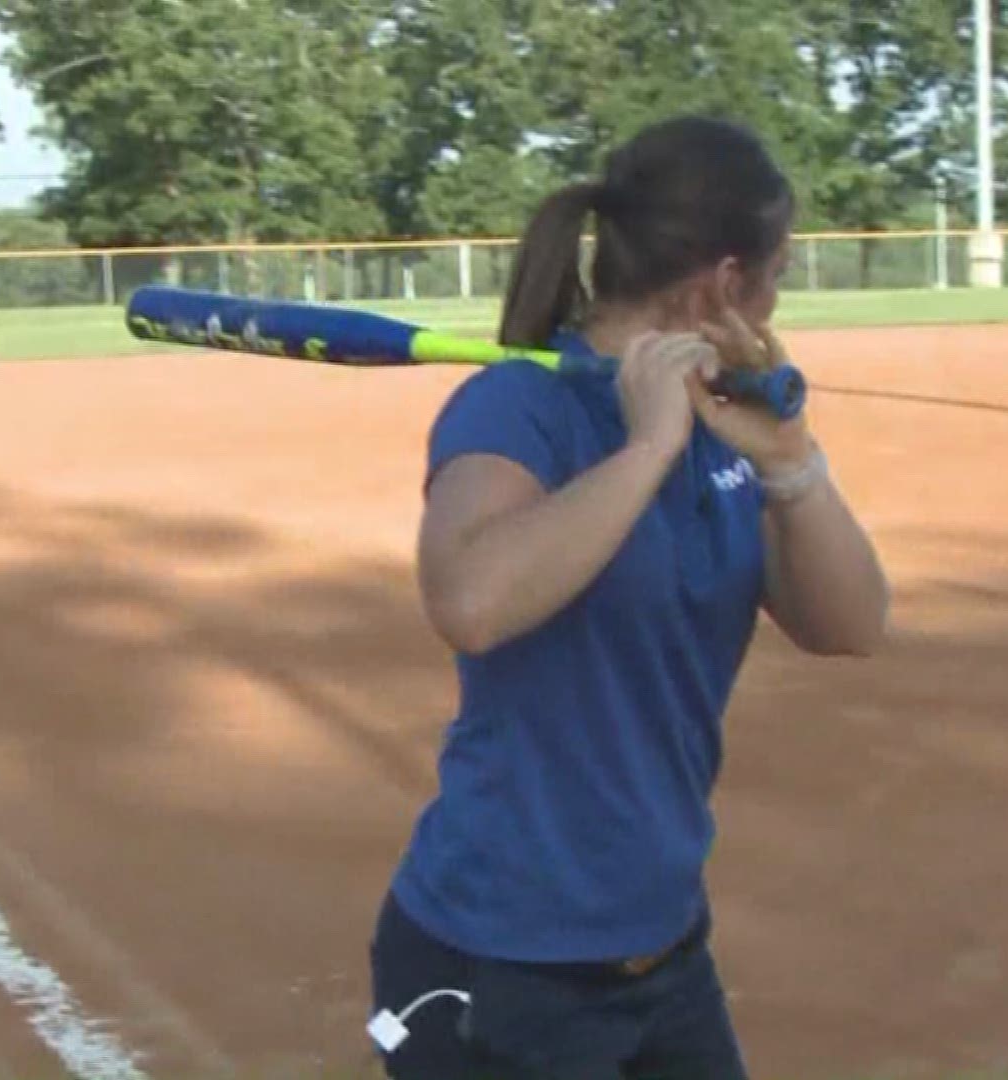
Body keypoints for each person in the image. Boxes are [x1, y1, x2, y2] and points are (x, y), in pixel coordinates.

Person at [367, 116, 891, 1079]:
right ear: (725, 284)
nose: (781, 298)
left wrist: (789, 464)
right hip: (500, 959)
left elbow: (853, 624)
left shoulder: (722, 418)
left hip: (662, 950)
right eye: (778, 272)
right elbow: (471, 602)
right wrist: (646, 447)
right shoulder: (517, 406)